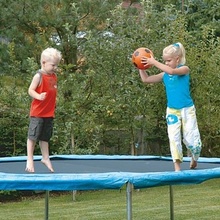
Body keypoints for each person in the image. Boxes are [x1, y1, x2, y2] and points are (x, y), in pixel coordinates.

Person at [138, 42, 202, 171]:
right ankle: (177, 168)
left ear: (177, 59)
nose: (166, 63)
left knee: (191, 139)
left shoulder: (184, 70)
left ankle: (194, 157)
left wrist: (154, 62)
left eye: (168, 60)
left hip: (187, 110)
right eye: (165, 61)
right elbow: (146, 80)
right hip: (172, 110)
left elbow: (172, 70)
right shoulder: (164, 75)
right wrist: (140, 66)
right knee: (174, 138)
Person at [25, 47, 62, 173]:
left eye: (56, 65)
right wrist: (38, 96)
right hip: (38, 113)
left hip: (49, 113)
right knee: (33, 136)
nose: (55, 67)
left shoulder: (54, 76)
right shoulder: (38, 76)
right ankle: (30, 159)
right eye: (53, 65)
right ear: (44, 63)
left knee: (45, 137)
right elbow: (30, 90)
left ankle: (45, 158)